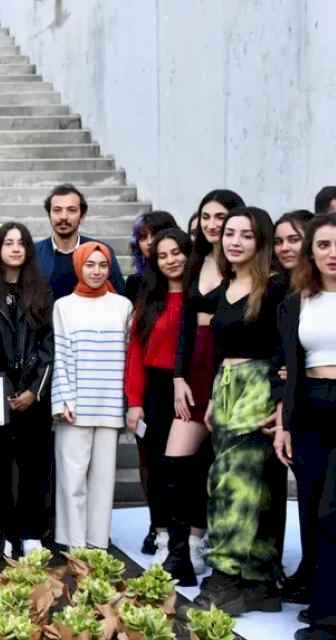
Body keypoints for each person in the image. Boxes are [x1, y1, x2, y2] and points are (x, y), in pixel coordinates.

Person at [185, 206, 288, 615]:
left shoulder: (277, 289)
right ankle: (259, 581)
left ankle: (225, 580)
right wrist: (212, 398)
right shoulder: (224, 288)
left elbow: (284, 349)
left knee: (236, 486)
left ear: (260, 241)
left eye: (246, 235)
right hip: (226, 391)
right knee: (243, 484)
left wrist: (281, 402)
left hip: (259, 390)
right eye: (230, 233)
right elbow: (221, 351)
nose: (235, 241)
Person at [172, 188, 246, 575]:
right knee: (179, 459)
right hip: (192, 369)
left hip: (227, 369)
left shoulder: (241, 265)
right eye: (206, 217)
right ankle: (183, 544)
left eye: (221, 217)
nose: (214, 224)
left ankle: (211, 542)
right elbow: (185, 326)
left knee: (219, 462)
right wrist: (178, 376)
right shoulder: (195, 261)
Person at [273, 212, 336, 639]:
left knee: (333, 510)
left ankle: (329, 617)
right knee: (312, 508)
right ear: (311, 252)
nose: (333, 254)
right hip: (309, 410)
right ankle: (321, 601)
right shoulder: (298, 301)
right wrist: (283, 425)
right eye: (324, 245)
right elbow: (290, 369)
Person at [122, 227, 194, 583]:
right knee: (158, 466)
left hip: (189, 387)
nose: (170, 260)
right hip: (155, 389)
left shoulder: (200, 295)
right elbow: (135, 352)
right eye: (162, 255)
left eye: (176, 252)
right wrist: (134, 402)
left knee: (185, 467)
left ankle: (192, 537)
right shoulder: (150, 299)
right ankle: (164, 531)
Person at [51, 241, 132, 550]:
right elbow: (60, 354)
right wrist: (63, 401)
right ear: (79, 267)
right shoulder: (64, 306)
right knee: (72, 480)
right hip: (75, 406)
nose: (97, 271)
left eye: (102, 265)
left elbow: (128, 355)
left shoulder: (122, 305)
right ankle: (73, 543)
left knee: (102, 481)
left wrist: (126, 401)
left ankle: (97, 542)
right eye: (90, 265)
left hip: (110, 404)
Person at [0, 222, 54, 558]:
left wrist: (33, 390)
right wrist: (4, 388)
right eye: (8, 243)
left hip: (33, 395)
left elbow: (49, 346)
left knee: (34, 465)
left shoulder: (42, 291)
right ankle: (6, 532)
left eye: (21, 243)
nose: (14, 248)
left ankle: (31, 531)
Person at [34, 184, 125, 300]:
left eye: (71, 210)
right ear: (49, 215)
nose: (63, 217)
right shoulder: (34, 253)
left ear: (82, 216)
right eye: (57, 210)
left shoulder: (100, 251)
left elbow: (119, 297)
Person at [124, 211, 180, 302]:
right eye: (143, 237)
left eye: (155, 234)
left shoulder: (188, 277)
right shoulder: (134, 283)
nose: (149, 242)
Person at [274, 210, 316, 275]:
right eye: (278, 242)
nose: (284, 248)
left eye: (294, 240)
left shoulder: (329, 281)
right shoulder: (271, 283)